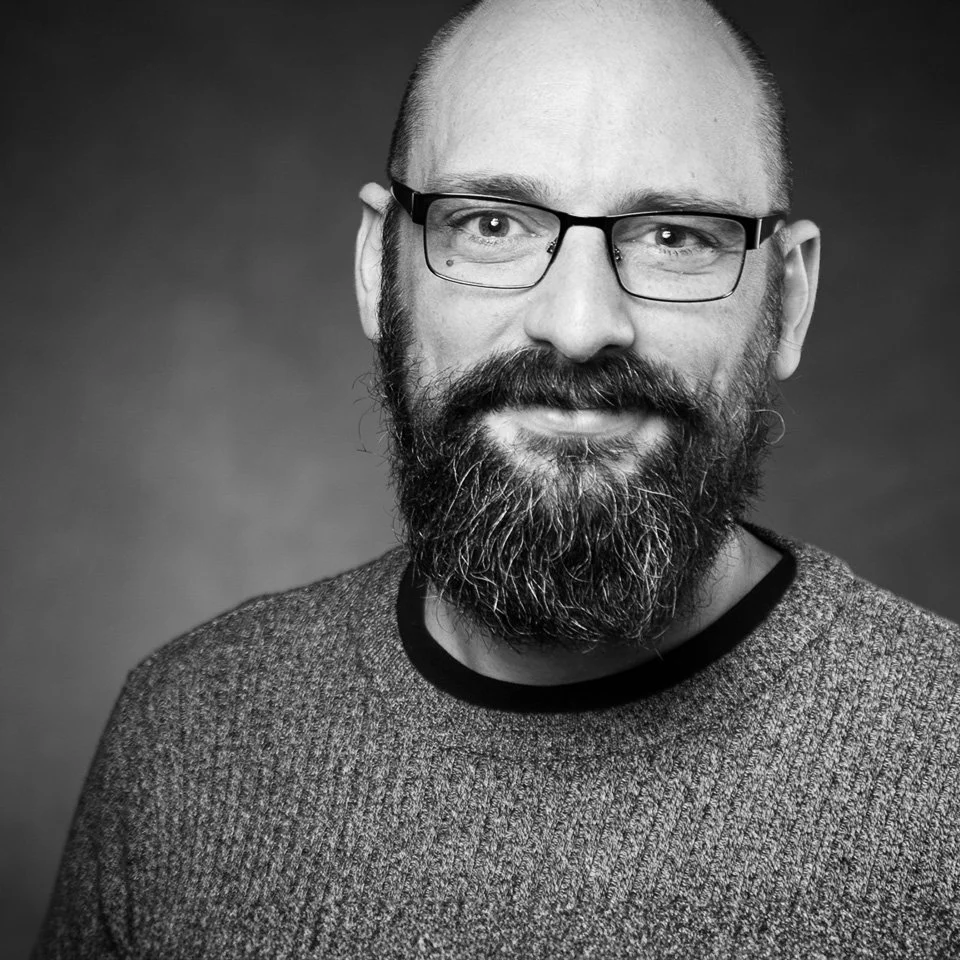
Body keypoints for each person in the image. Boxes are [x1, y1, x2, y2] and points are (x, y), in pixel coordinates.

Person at [34, 0, 959, 956]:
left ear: (791, 302)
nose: (580, 322)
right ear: (376, 268)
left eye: (677, 236)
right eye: (492, 223)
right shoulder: (182, 735)